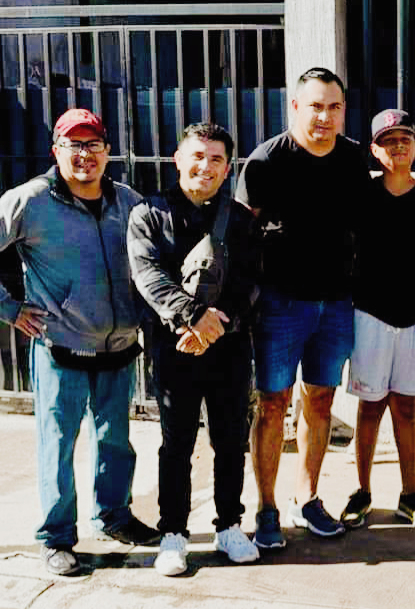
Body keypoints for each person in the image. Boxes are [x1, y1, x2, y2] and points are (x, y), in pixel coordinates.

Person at [235, 67, 415, 547]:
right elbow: (241, 240)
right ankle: (267, 509)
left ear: (343, 111)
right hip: (279, 306)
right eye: (314, 106)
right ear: (295, 107)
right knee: (272, 405)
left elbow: (396, 189)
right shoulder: (266, 162)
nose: (324, 117)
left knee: (321, 401)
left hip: (336, 306)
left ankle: (307, 498)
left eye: (333, 107)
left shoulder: (353, 160)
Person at [0, 108, 158, 576]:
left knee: (115, 441)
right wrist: (10, 309)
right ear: (56, 151)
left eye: (93, 145)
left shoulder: (129, 201)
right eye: (74, 145)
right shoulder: (29, 200)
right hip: (60, 349)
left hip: (119, 347)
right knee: (59, 445)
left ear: (108, 151)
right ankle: (56, 537)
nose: (84, 155)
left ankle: (114, 516)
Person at [128, 123, 262, 576]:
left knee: (230, 440)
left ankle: (229, 525)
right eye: (198, 156)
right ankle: (174, 533)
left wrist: (217, 325)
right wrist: (192, 317)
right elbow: (149, 277)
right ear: (177, 159)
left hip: (228, 345)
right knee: (176, 443)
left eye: (217, 159)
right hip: (173, 347)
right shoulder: (148, 214)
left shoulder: (241, 219)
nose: (206, 166)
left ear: (228, 168)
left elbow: (251, 282)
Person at [339, 109, 415, 532]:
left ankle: (409, 494)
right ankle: (362, 491)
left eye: (405, 138)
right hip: (369, 316)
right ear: (375, 149)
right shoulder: (361, 197)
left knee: (406, 406)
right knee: (370, 408)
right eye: (388, 140)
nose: (398, 146)